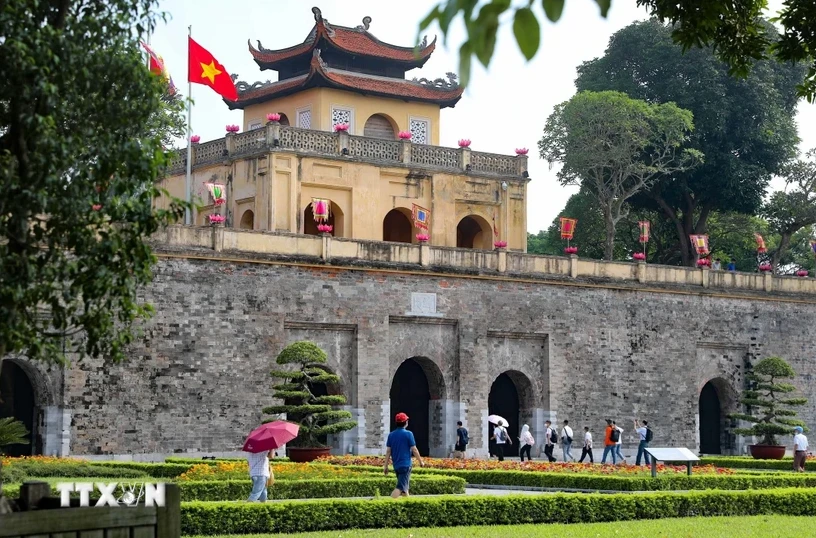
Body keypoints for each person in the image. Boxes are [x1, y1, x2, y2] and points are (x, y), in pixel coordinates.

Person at [384, 412, 425, 497]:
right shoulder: (408, 434)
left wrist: (385, 466)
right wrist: (421, 461)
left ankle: (408, 506)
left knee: (404, 488)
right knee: (400, 487)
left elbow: (388, 451)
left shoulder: (391, 435)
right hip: (406, 465)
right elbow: (414, 449)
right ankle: (387, 502)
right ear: (406, 422)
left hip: (396, 465)